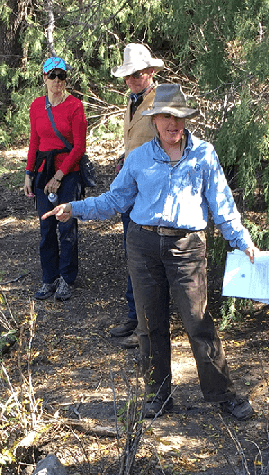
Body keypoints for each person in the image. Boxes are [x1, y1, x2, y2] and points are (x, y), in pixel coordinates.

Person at [43, 84, 259, 420]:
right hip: (143, 245)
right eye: (166, 117)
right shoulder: (140, 157)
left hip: (187, 247)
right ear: (154, 120)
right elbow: (115, 200)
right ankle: (157, 396)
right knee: (148, 324)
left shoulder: (204, 154)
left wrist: (243, 241)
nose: (173, 123)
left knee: (198, 321)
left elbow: (223, 206)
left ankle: (222, 394)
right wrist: (76, 208)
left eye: (179, 117)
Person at [108, 43, 164, 348]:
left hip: (151, 191)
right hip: (131, 187)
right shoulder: (131, 101)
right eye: (128, 74)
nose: (133, 78)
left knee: (147, 259)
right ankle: (135, 315)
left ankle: (148, 325)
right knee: (132, 253)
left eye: (138, 73)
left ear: (151, 71)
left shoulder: (161, 101)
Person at [22, 57, 87, 302]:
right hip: (43, 170)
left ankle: (66, 278)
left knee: (66, 225)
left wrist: (60, 176)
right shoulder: (37, 106)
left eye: (62, 76)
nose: (57, 81)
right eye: (53, 76)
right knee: (46, 227)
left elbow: (79, 146)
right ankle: (49, 278)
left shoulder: (75, 106)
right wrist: (29, 173)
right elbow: (34, 142)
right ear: (44, 78)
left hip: (68, 172)